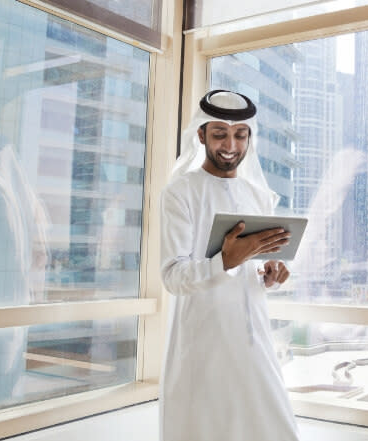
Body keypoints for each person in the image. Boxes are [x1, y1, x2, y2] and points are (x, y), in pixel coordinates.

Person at [159, 90, 300, 441]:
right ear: (201, 135)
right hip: (202, 339)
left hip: (254, 339)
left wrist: (272, 274)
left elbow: (258, 269)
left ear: (249, 138)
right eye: (219, 133)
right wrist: (225, 260)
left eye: (240, 135)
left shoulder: (258, 195)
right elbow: (173, 276)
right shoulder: (181, 192)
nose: (230, 145)